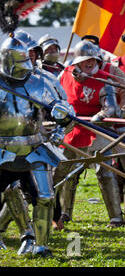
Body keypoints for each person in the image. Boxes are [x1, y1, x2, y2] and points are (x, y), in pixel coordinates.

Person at [0, 36, 74, 256]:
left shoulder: (38, 83)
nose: (26, 67)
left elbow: (64, 113)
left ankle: (40, 246)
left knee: (45, 197)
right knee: (9, 191)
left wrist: (61, 127)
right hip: (2, 147)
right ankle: (26, 235)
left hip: (34, 146)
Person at [53, 40, 125, 228]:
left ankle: (116, 217)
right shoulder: (65, 75)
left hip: (96, 129)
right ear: (77, 61)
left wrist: (98, 116)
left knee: (105, 172)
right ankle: (63, 214)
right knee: (63, 171)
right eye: (86, 60)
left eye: (92, 59)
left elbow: (112, 109)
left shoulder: (104, 79)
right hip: (70, 128)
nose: (90, 63)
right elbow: (55, 99)